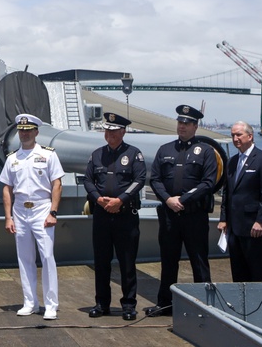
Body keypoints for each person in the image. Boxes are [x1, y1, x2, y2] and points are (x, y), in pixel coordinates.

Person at [146, 104, 218, 317]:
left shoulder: (206, 151)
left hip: (194, 215)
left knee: (199, 261)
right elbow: (155, 179)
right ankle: (165, 304)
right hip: (169, 215)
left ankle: (205, 307)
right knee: (168, 261)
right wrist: (168, 200)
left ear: (195, 126)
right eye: (180, 122)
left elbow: (208, 183)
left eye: (187, 123)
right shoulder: (165, 150)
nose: (182, 126)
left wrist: (183, 200)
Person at [0, 113, 64, 320]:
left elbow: (57, 185)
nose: (24, 134)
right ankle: (30, 302)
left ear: (36, 132)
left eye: (28, 130)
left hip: (42, 209)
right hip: (20, 211)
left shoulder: (48, 155)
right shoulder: (12, 158)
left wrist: (53, 212)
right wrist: (8, 217)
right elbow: (7, 189)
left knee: (46, 257)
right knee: (25, 258)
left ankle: (51, 304)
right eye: (21, 130)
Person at [82, 113, 146, 321]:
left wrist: (121, 200)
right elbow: (88, 180)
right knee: (101, 262)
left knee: (127, 262)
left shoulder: (134, 154)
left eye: (113, 130)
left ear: (123, 132)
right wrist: (99, 200)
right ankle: (102, 303)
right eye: (107, 130)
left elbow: (139, 180)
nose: (109, 134)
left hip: (125, 216)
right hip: (101, 215)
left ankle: (128, 305)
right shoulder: (97, 155)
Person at [218, 121, 262, 282]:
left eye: (239, 135)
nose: (235, 138)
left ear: (250, 136)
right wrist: (223, 218)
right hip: (235, 227)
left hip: (254, 228)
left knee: (256, 272)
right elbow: (227, 193)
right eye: (232, 135)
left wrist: (261, 221)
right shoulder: (232, 162)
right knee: (238, 272)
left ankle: (257, 306)